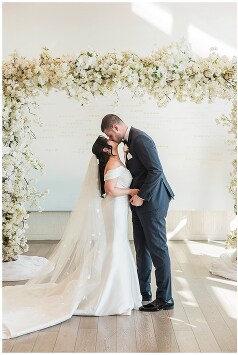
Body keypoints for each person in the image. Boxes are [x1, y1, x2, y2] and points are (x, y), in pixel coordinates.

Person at [2, 136, 142, 339]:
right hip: (114, 209)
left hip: (119, 209)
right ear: (105, 150)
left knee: (116, 245)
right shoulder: (112, 162)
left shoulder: (116, 159)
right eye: (110, 141)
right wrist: (133, 190)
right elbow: (111, 190)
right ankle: (110, 296)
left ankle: (118, 292)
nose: (114, 140)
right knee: (114, 245)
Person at [101, 114, 175, 312]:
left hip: (152, 201)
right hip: (138, 202)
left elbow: (156, 171)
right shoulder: (129, 141)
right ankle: (144, 291)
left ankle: (165, 298)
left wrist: (141, 196)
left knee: (158, 249)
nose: (110, 139)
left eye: (110, 134)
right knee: (142, 249)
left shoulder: (141, 139)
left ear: (115, 127)